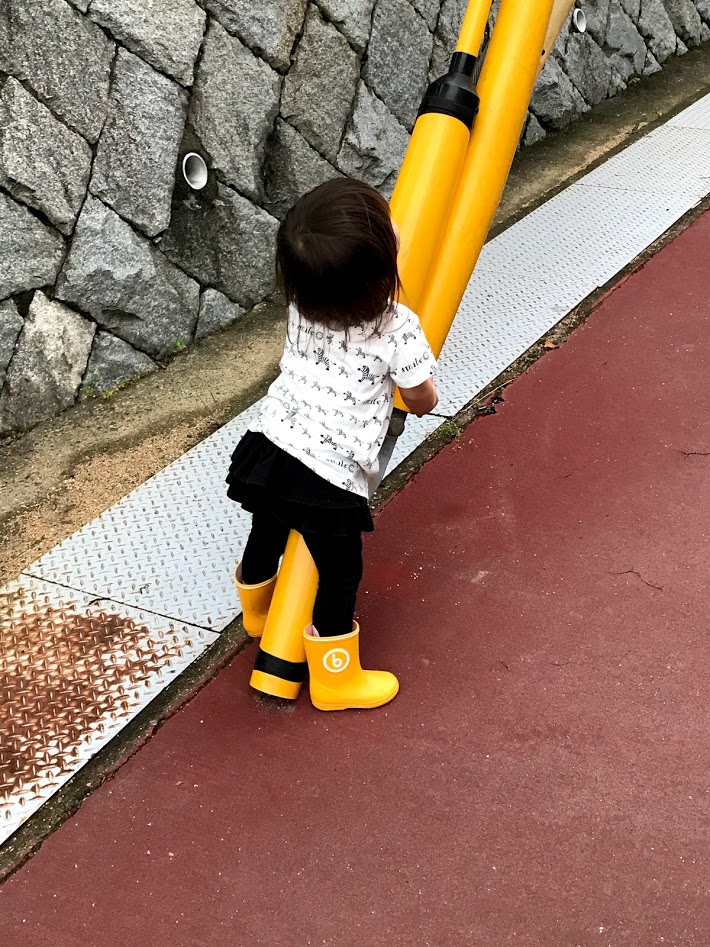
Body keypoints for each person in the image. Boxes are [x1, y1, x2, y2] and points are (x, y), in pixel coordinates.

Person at [226, 178, 438, 711]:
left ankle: (256, 612)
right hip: (327, 477)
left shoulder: (303, 301)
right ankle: (335, 679)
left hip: (271, 447)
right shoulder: (397, 327)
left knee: (267, 529)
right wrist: (416, 394)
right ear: (381, 269)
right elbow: (421, 396)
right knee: (340, 572)